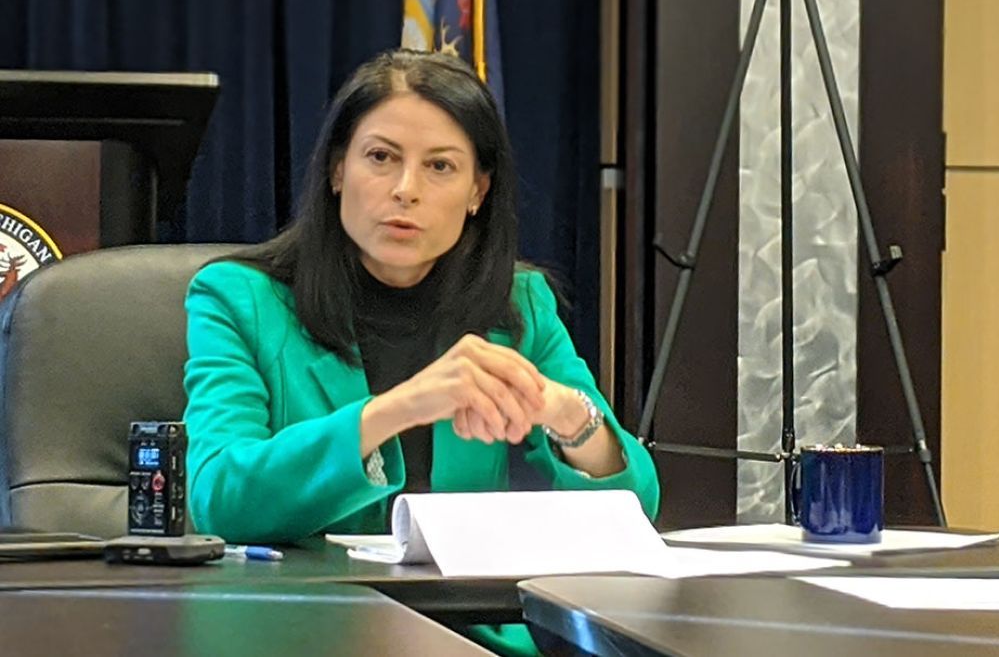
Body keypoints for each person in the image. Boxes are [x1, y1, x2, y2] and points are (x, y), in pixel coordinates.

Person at [182, 49, 659, 657]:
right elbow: (221, 497)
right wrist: (397, 409)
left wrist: (567, 413)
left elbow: (634, 508)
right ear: (336, 171)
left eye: (440, 166)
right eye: (380, 158)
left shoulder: (520, 306)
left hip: (463, 637)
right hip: (300, 633)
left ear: (477, 192)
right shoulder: (238, 299)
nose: (405, 190)